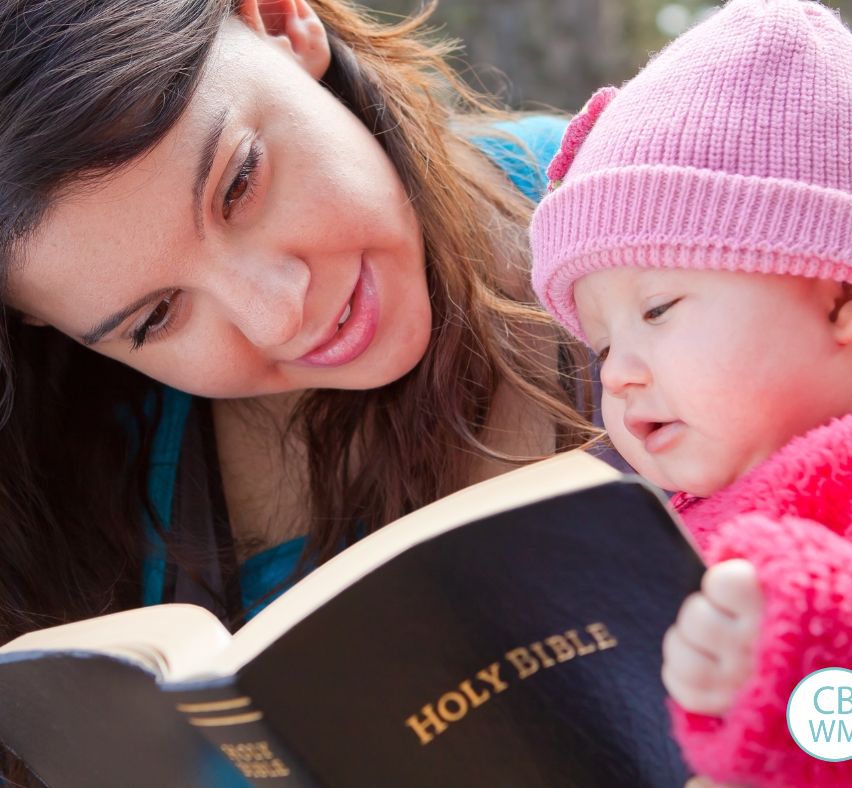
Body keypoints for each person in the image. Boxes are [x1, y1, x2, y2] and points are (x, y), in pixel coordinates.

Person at [0, 0, 603, 642]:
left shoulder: (650, 206)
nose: (278, 317)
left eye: (240, 185)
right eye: (156, 318)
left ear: (282, 23)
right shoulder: (82, 493)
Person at [530, 0, 852, 785]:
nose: (617, 373)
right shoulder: (654, 515)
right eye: (604, 342)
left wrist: (804, 645)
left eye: (657, 310)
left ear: (843, 294)